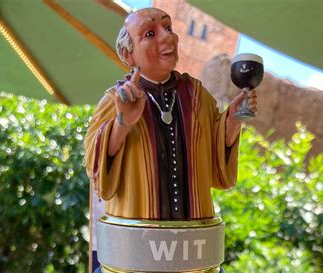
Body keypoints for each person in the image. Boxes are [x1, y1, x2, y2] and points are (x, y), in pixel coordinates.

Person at [85, 7, 257, 220]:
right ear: (128, 54)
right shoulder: (115, 101)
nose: (167, 36)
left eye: (168, 27)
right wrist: (122, 124)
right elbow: (97, 170)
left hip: (193, 237)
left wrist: (232, 120)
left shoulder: (197, 96)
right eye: (150, 33)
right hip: (138, 236)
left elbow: (214, 159)